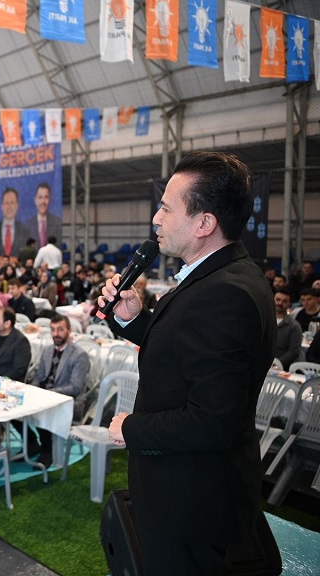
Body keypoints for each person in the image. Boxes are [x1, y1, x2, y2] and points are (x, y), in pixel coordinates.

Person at [100, 151, 277, 574]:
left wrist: (131, 427)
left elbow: (212, 421)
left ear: (204, 223)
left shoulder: (224, 294)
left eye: (166, 208)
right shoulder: (217, 277)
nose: (156, 219)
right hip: (186, 494)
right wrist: (133, 320)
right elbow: (185, 352)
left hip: (193, 506)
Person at [28, 314, 90, 466]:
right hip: (46, 395)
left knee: (43, 409)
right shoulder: (47, 350)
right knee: (16, 407)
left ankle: (47, 450)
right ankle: (30, 443)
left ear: (69, 330)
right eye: (53, 330)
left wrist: (50, 394)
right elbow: (39, 376)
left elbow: (76, 387)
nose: (56, 334)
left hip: (68, 401)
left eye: (60, 329)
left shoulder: (79, 355)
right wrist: (32, 390)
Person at [0, 187, 33, 258]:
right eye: (7, 203)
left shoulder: (24, 230)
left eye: (12, 203)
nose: (9, 207)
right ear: (2, 206)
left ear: (17, 206)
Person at [273, 290, 302, 371]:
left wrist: (276, 363)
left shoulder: (294, 326)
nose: (280, 303)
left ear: (289, 304)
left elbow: (294, 351)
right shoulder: (264, 321)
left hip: (281, 368)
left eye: (284, 301)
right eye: (278, 299)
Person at [33, 182, 62, 248]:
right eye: (40, 197)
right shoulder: (28, 225)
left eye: (46, 197)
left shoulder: (57, 223)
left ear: (50, 199)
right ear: (35, 200)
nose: (43, 202)